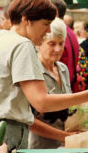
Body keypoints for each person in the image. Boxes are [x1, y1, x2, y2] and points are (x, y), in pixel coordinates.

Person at [0, 0, 88, 151]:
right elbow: (41, 102)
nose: (48, 29)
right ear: (25, 20)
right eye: (45, 23)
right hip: (7, 134)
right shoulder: (23, 45)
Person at [28, 18, 75, 149]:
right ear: (39, 43)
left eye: (61, 43)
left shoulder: (63, 69)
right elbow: (29, 120)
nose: (58, 49)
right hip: (39, 147)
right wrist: (64, 136)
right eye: (52, 44)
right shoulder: (32, 72)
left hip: (64, 146)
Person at [48, 0, 80, 93]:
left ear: (55, 12)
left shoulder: (54, 34)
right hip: (69, 87)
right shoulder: (71, 33)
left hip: (59, 90)